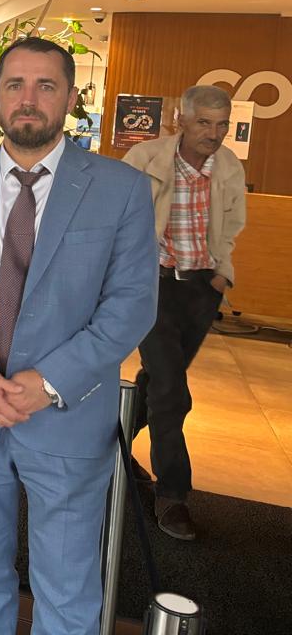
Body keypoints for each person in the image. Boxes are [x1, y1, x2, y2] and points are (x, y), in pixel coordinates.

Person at [0, 36, 158, 635]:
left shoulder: (120, 189)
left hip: (66, 417)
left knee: (67, 589)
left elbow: (130, 306)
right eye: (15, 85)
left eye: (46, 86)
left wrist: (47, 383)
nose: (28, 99)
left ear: (70, 98)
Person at [123, 84, 246, 541]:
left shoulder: (228, 166)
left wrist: (221, 275)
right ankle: (173, 495)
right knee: (173, 392)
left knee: (158, 382)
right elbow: (118, 219)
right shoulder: (145, 159)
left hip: (200, 290)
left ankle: (107, 449)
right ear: (182, 120)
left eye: (221, 124)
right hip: (152, 286)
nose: (213, 133)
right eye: (204, 123)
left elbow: (231, 225)